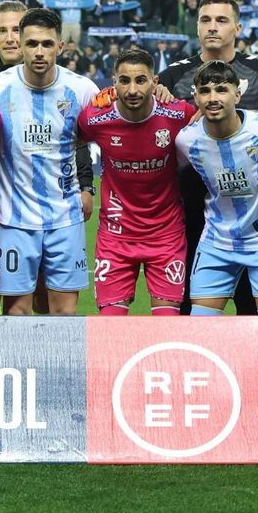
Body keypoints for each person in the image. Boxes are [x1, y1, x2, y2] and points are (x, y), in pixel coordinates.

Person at [159, 0, 258, 315]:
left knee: (253, 318)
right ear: (196, 28)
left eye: (221, 20)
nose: (213, 27)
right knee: (192, 316)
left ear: (237, 27)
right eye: (206, 20)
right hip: (190, 215)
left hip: (255, 218)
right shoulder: (173, 78)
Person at [175, 60, 258, 418]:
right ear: (196, 96)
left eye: (222, 90)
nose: (214, 98)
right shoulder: (187, 139)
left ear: (237, 94)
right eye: (206, 91)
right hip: (217, 243)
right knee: (199, 329)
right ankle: (205, 409)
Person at [0, 8, 98, 315]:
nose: (39, 52)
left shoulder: (82, 90)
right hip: (13, 217)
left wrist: (88, 187)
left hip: (66, 217)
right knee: (16, 313)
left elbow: (109, 134)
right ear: (22, 44)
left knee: (65, 313)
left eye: (46, 44)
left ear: (60, 46)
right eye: (31, 44)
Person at [77, 47, 196, 316]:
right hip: (115, 236)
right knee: (111, 325)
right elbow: (70, 144)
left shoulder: (179, 114)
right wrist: (83, 186)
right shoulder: (96, 118)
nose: (132, 90)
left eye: (141, 80)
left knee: (166, 324)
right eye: (124, 81)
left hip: (166, 235)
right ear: (113, 83)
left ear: (155, 82)